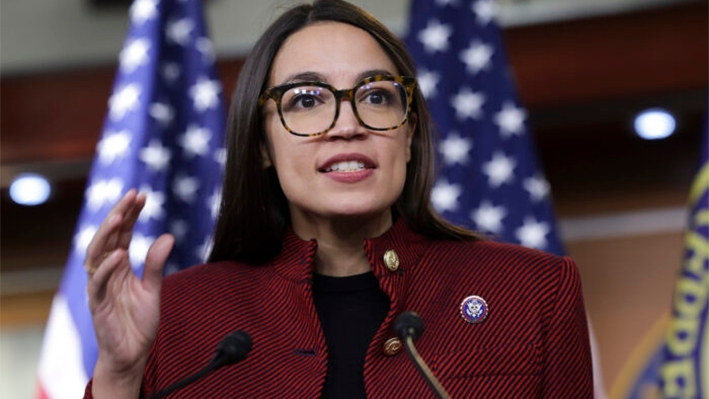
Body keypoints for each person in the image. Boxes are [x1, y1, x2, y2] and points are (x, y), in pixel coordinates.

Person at [84, 0, 593, 398]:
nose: (348, 125)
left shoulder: (534, 293)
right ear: (261, 145)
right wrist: (120, 379)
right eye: (306, 101)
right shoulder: (179, 316)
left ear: (409, 134)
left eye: (376, 95)